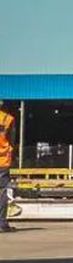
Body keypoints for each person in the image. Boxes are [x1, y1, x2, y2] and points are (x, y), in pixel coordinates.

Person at [0, 99, 16, 232]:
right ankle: (1, 224)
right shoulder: (7, 119)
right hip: (2, 161)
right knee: (2, 193)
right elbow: (12, 140)